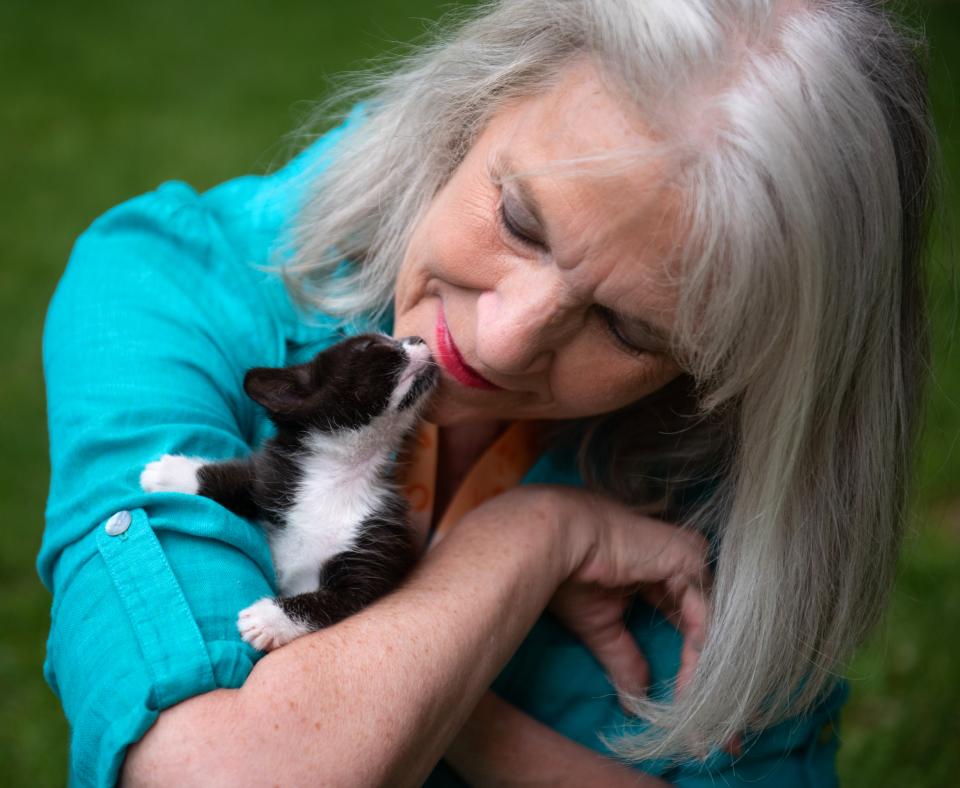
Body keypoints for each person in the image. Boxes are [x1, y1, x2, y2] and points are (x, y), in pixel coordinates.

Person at [39, 0, 936, 785]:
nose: (501, 341)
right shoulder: (167, 287)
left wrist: (402, 696)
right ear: (468, 111)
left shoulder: (742, 455)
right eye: (519, 220)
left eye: (631, 330)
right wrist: (530, 541)